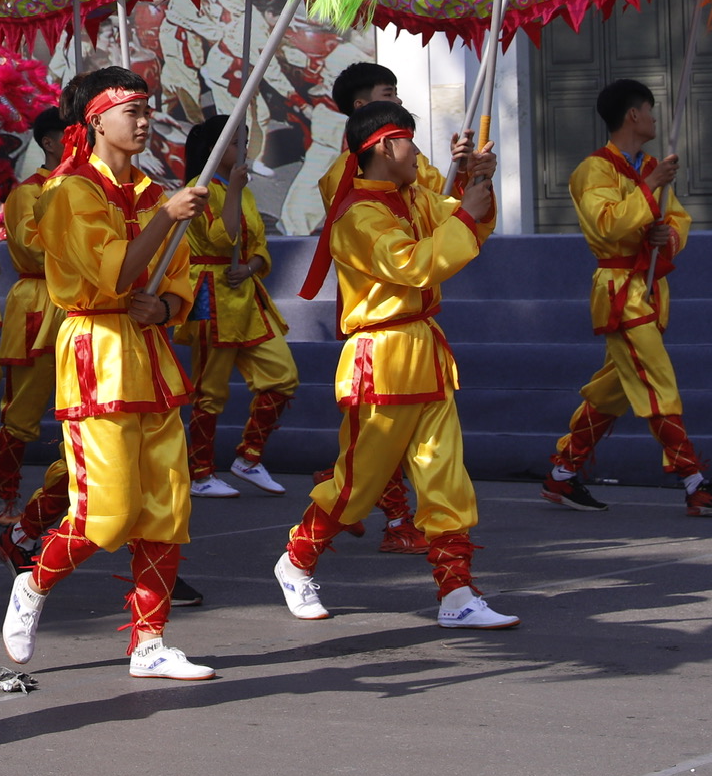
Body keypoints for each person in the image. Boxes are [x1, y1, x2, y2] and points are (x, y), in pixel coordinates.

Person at [0, 66, 217, 683]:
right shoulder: (68, 192)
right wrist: (167, 218)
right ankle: (33, 584)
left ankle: (149, 642)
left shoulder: (151, 190)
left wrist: (167, 306)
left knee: (167, 507)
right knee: (108, 513)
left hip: (150, 354)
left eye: (148, 111)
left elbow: (182, 279)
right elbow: (115, 274)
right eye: (132, 112)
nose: (144, 122)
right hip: (99, 351)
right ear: (94, 120)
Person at [272, 99, 519, 630]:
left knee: (446, 481)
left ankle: (456, 594)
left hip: (426, 352)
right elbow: (412, 264)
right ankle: (296, 559)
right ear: (385, 145)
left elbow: (461, 226)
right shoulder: (359, 214)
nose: (417, 153)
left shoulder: (412, 199)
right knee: (358, 485)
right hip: (381, 358)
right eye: (410, 140)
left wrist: (478, 187)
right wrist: (467, 212)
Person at [543, 78, 712, 516]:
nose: (655, 119)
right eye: (650, 111)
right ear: (633, 115)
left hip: (650, 289)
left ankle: (562, 474)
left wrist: (666, 234)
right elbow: (608, 224)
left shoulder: (652, 165)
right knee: (657, 380)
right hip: (620, 290)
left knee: (615, 390)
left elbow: (678, 219)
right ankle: (694, 482)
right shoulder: (593, 170)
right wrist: (649, 185)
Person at [314, 61, 432, 553]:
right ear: (365, 110)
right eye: (390, 92)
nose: (400, 99)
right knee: (377, 438)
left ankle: (446, 572)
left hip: (413, 317)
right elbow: (397, 246)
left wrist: (469, 176)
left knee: (416, 444)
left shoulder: (408, 158)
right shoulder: (344, 178)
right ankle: (384, 515)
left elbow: (435, 205)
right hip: (377, 311)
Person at [182, 115, 296, 499]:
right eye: (236, 142)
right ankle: (199, 474)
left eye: (244, 141)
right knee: (208, 391)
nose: (243, 149)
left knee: (283, 377)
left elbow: (259, 245)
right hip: (209, 295)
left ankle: (248, 457)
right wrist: (232, 190)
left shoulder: (243, 191)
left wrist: (250, 266)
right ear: (214, 148)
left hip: (246, 296)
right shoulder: (197, 191)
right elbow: (221, 237)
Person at [0, 107, 66, 524]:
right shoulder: (28, 192)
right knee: (22, 411)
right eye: (71, 136)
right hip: (40, 300)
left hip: (80, 304)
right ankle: (7, 495)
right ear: (51, 142)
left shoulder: (88, 187)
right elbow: (31, 246)